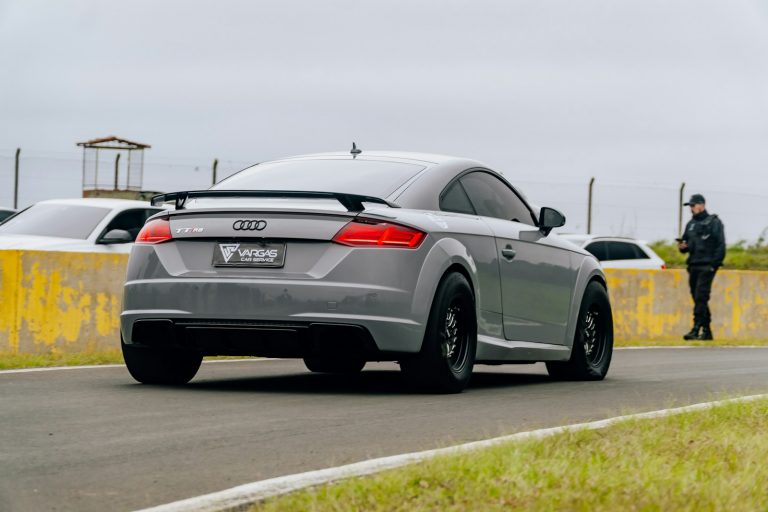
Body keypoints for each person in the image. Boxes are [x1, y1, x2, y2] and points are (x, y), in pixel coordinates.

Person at [677, 194, 725, 340]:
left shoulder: (714, 222)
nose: (691, 209)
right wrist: (682, 247)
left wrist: (714, 265)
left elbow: (721, 245)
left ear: (702, 205)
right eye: (690, 206)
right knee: (698, 299)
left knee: (700, 297)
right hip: (693, 265)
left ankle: (696, 328)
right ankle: (707, 331)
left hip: (707, 266)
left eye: (693, 205)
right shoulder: (690, 224)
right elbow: (685, 245)